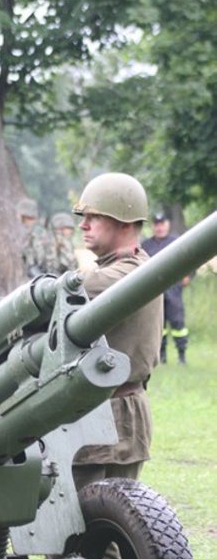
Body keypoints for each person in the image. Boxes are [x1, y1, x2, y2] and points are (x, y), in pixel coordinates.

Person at [70, 172, 163, 489]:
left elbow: (62, 293)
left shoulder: (121, 275)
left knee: (91, 526)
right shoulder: (133, 267)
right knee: (107, 523)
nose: (83, 225)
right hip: (113, 412)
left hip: (109, 413)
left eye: (93, 217)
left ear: (124, 222)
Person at [142, 213, 190, 364]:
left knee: (177, 322)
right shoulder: (146, 245)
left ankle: (181, 355)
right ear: (152, 227)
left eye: (162, 224)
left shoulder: (177, 242)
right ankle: (161, 355)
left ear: (167, 225)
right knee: (158, 323)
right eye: (156, 224)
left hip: (173, 287)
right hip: (153, 288)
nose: (159, 227)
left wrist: (187, 275)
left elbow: (188, 259)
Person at [18, 197, 58, 280]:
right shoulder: (39, 230)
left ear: (23, 215)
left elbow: (42, 260)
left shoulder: (36, 233)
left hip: (40, 280)